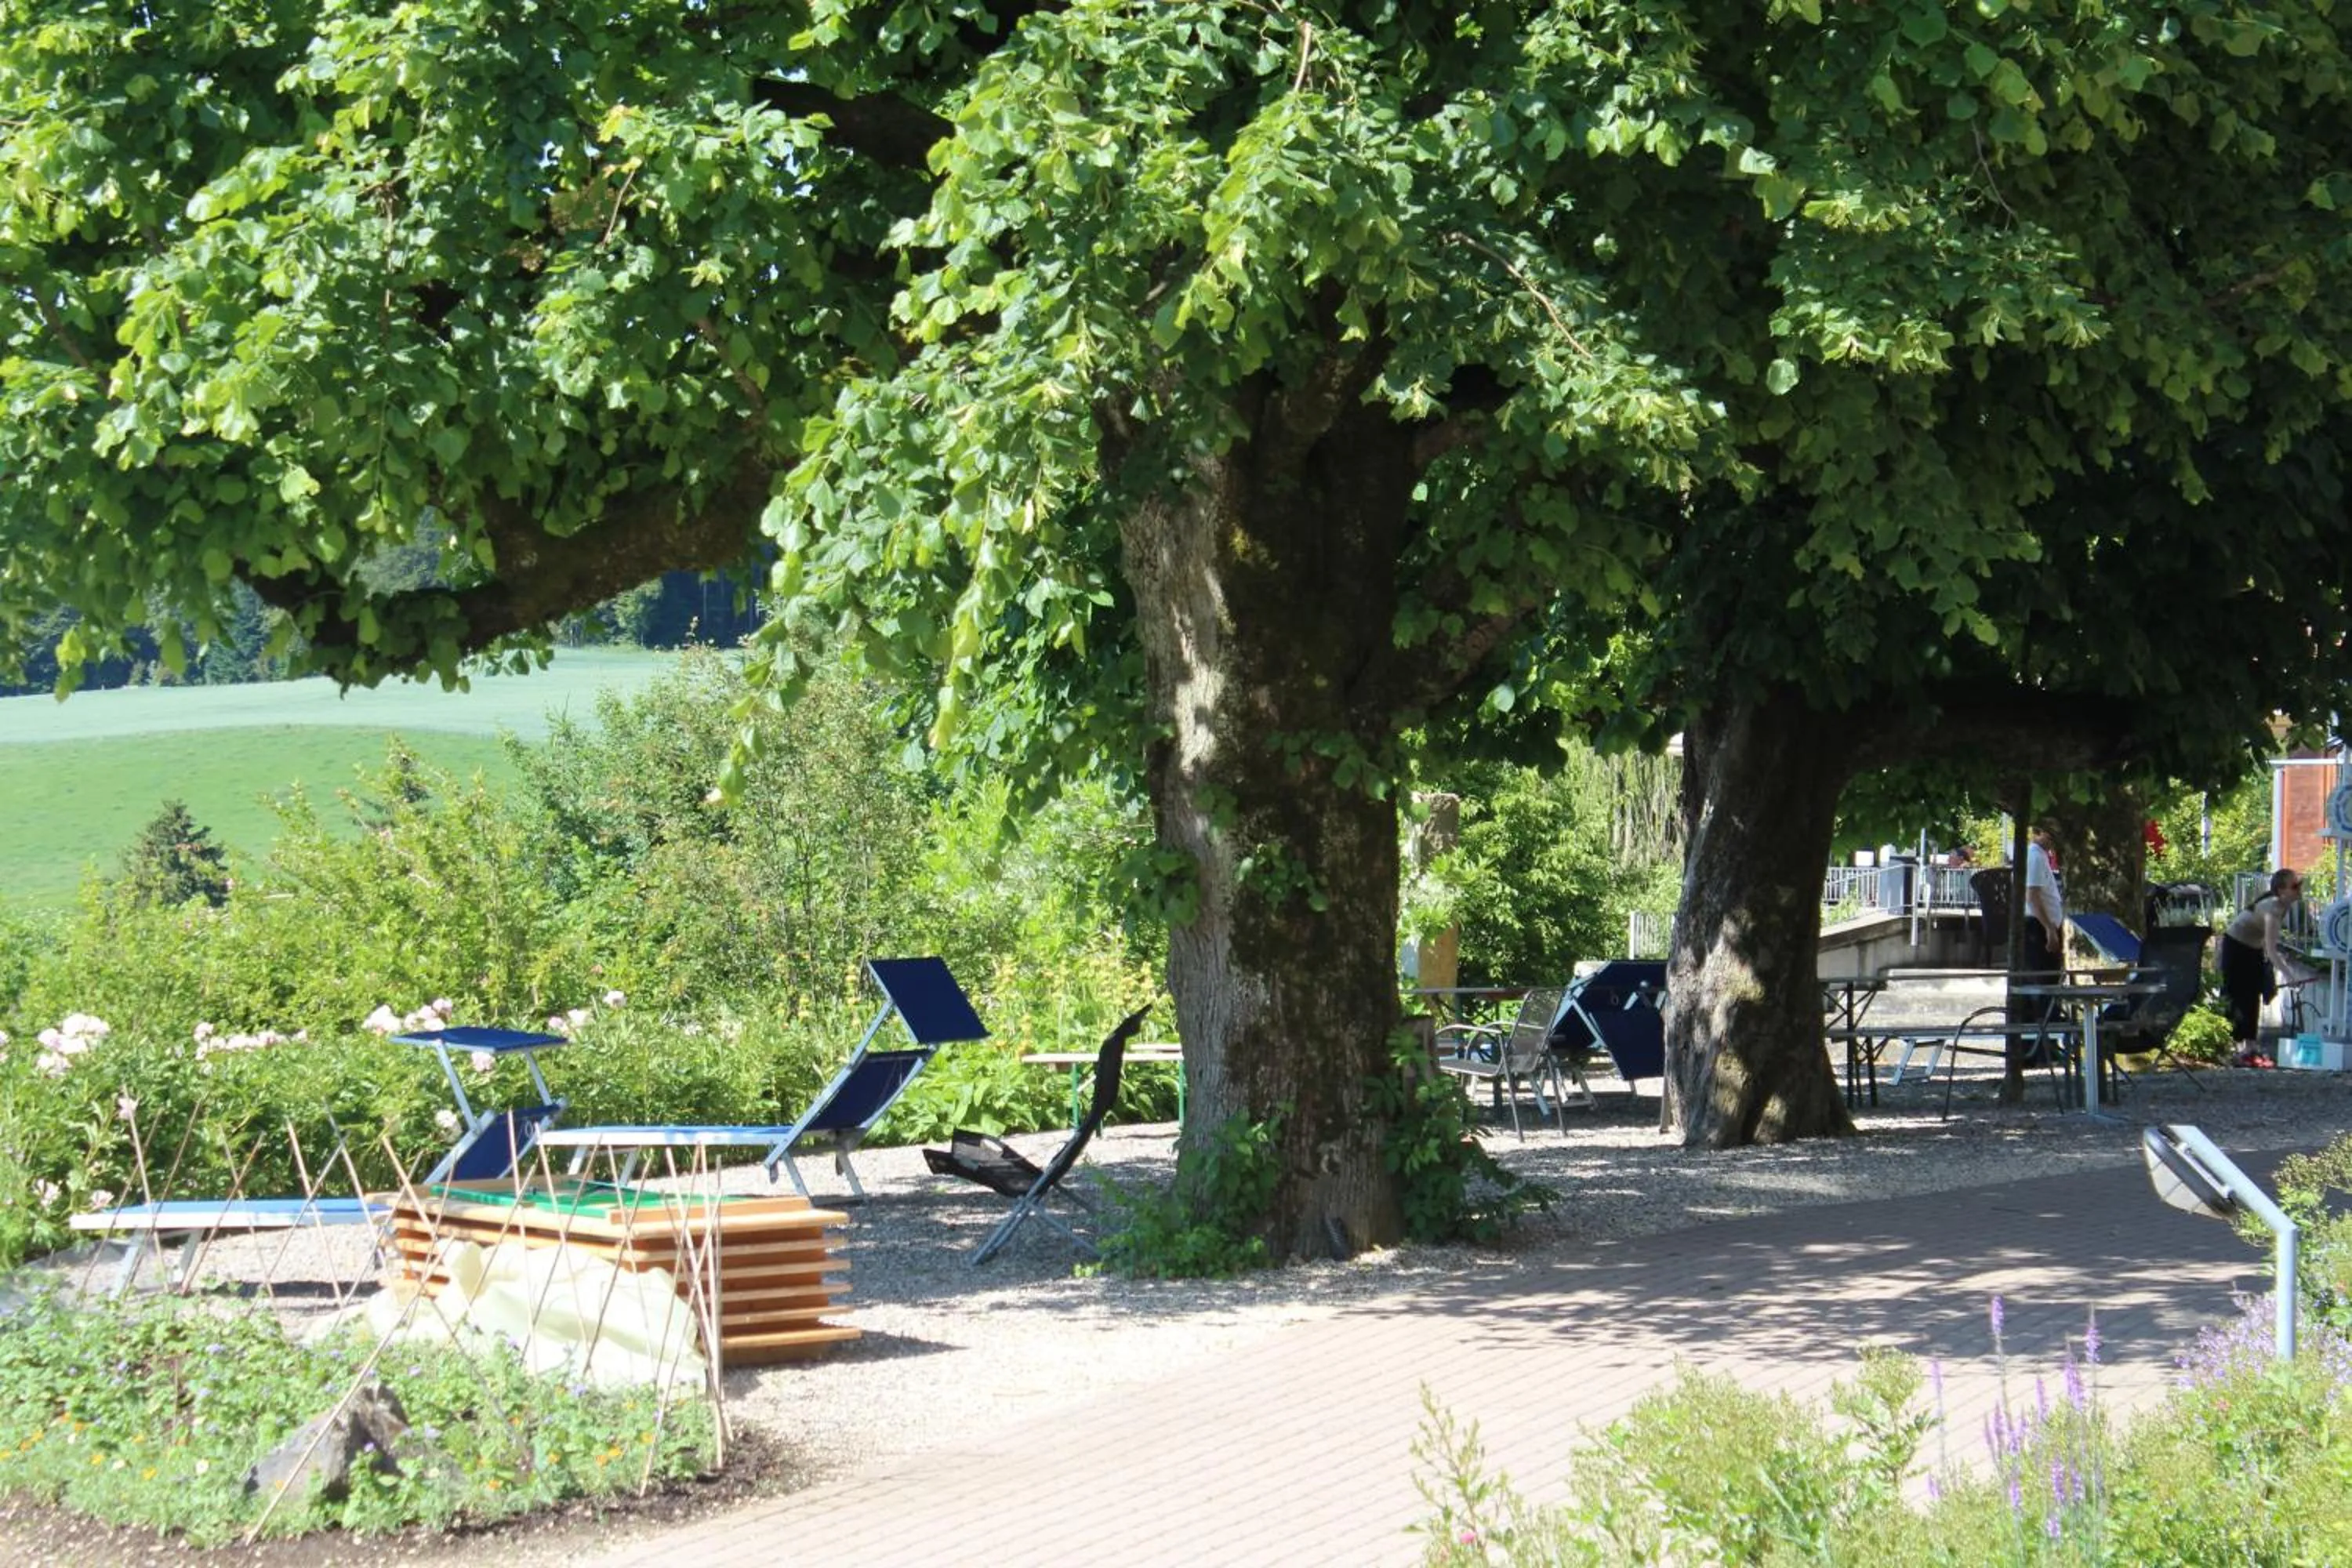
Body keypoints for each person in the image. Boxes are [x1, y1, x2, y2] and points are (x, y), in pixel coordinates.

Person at [2220, 869, 2309, 1067]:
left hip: (2252, 948)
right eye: (2295, 886)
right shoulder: (2273, 909)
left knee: (2253, 994)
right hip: (2235, 947)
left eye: (2299, 884)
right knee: (2236, 995)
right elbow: (2271, 949)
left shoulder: (2283, 906)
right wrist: (2289, 974)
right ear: (2281, 890)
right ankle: (2237, 1048)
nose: (2299, 889)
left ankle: (2250, 1047)